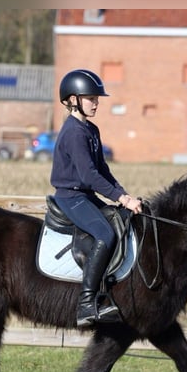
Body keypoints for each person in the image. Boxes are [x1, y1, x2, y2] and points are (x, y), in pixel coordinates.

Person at [49, 69, 143, 327]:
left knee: (121, 224)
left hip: (87, 196)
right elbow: (89, 175)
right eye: (91, 98)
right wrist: (122, 199)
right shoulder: (74, 133)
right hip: (72, 198)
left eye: (96, 98)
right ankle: (86, 303)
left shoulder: (91, 129)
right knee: (106, 235)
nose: (96, 103)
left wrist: (124, 195)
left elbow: (103, 170)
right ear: (72, 99)